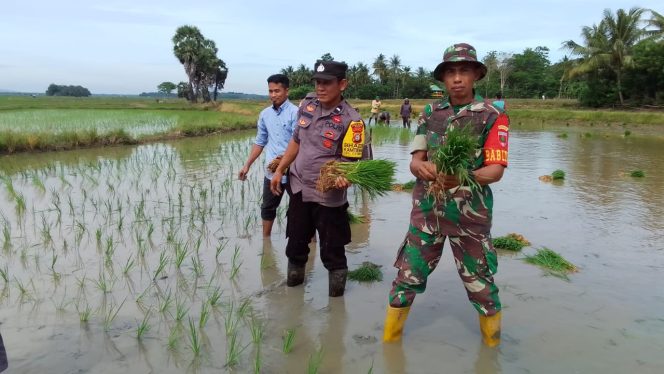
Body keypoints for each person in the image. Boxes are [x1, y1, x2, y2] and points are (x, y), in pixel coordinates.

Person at [383, 43, 509, 348]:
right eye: (451, 72)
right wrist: (419, 167)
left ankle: (491, 353)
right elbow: (416, 158)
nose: (457, 78)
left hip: (470, 219)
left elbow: (496, 170)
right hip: (427, 214)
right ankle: (389, 346)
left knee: (482, 289)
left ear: (476, 75)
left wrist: (464, 177)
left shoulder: (493, 116)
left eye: (464, 71)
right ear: (443, 78)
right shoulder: (430, 113)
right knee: (405, 281)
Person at [270, 60, 369, 297]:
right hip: (299, 188)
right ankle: (293, 297)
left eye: (327, 83)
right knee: (295, 246)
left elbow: (353, 164)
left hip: (328, 197)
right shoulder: (307, 106)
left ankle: (336, 307)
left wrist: (346, 178)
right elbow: (296, 141)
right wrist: (280, 169)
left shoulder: (352, 121)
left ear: (342, 84)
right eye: (317, 82)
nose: (320, 88)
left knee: (332, 252)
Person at [238, 74, 298, 237]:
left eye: (277, 91)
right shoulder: (265, 114)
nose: (273, 95)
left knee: (301, 212)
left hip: (295, 172)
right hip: (272, 171)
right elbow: (260, 141)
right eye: (270, 91)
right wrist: (247, 165)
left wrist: (283, 163)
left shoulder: (296, 113)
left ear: (287, 91)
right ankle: (266, 242)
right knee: (268, 208)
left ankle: (310, 243)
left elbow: (299, 144)